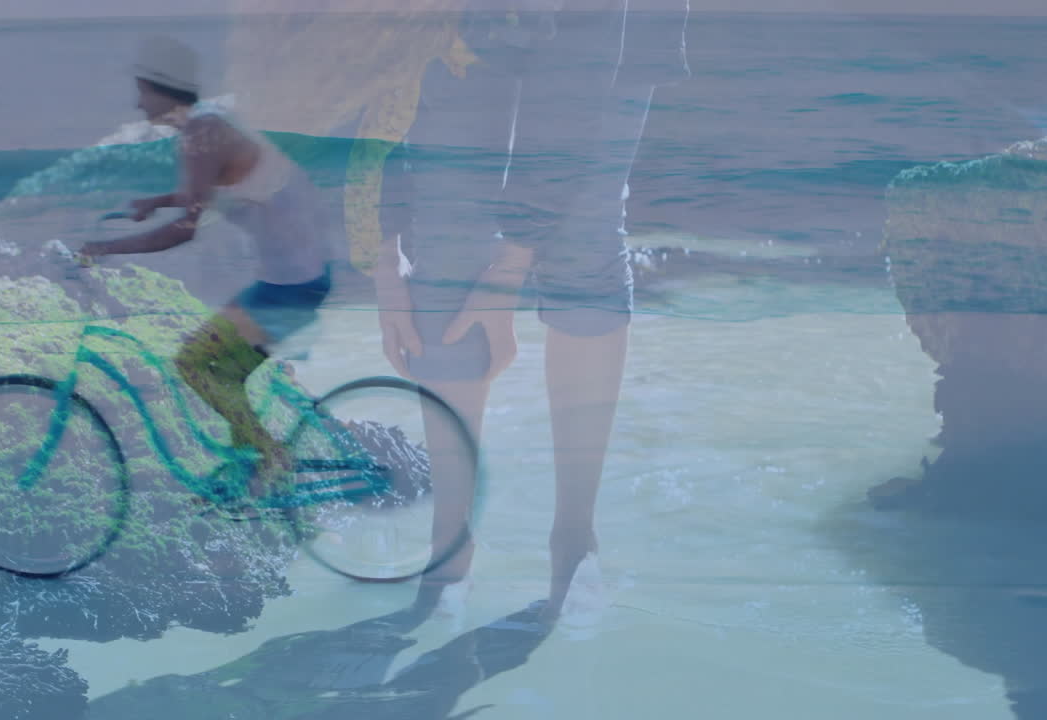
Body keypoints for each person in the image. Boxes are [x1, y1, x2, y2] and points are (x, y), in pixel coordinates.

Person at [376, 0, 688, 621]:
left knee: (583, 242)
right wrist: (383, 258)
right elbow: (350, 95)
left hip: (607, 33)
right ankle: (449, 548)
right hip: (438, 23)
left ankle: (575, 539)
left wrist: (510, 267)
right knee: (444, 252)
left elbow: (577, 95)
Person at [80, 35, 332, 497]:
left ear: (162, 89)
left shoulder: (201, 137)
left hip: (290, 286)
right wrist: (157, 200)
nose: (138, 102)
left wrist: (104, 248)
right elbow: (214, 190)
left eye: (143, 91)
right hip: (296, 277)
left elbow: (185, 230)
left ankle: (272, 456)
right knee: (227, 373)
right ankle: (253, 472)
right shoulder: (209, 128)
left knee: (194, 363)